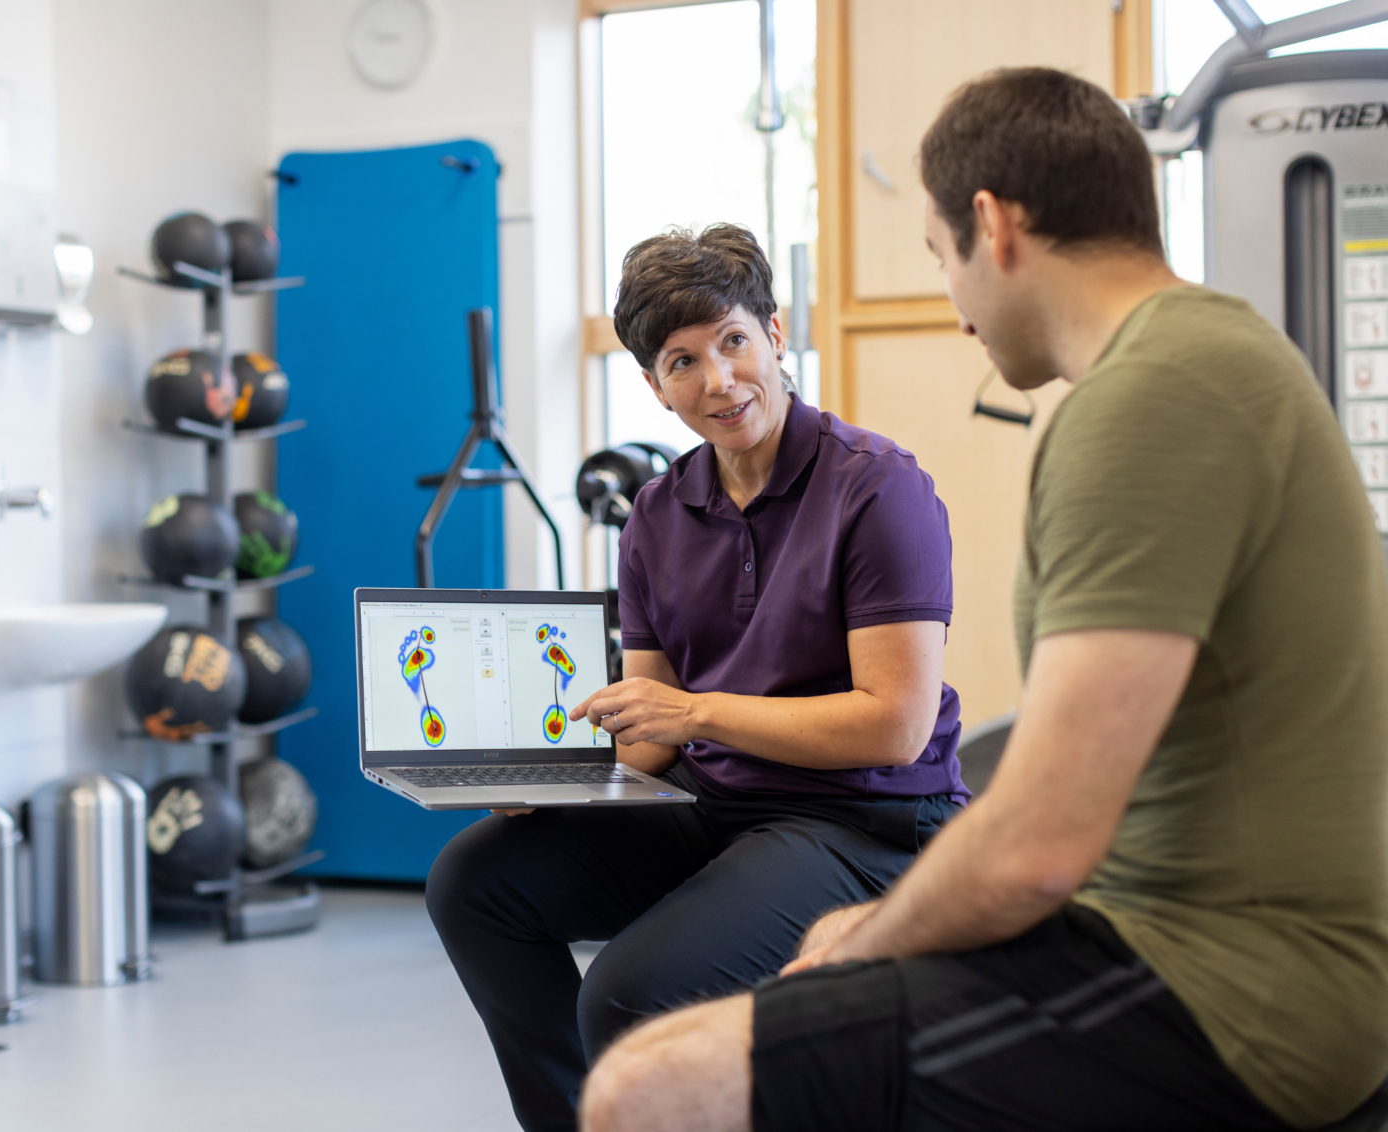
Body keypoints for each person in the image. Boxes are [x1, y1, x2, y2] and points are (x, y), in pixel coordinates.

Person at [580, 67, 1388, 1132]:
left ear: (991, 228)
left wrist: (869, 933)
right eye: (681, 362)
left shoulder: (1147, 400)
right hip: (1179, 923)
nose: (954, 308)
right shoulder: (1204, 358)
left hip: (1239, 985)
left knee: (652, 1081)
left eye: (936, 255)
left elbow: (1037, 839)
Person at [425, 223, 969, 1132]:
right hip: (714, 807)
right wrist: (545, 776)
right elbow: (652, 731)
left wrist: (695, 711)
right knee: (474, 887)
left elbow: (894, 726)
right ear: (653, 384)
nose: (718, 380)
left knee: (629, 996)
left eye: (732, 341)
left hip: (864, 822)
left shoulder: (878, 489)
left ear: (773, 333)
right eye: (682, 360)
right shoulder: (658, 512)